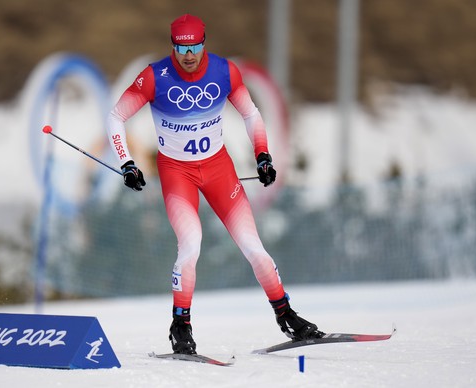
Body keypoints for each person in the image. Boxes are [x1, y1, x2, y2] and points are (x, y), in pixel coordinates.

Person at [106, 13, 323, 355]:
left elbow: (251, 113)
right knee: (191, 245)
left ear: (204, 43)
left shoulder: (224, 72)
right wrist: (126, 162)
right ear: (173, 46)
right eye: (181, 48)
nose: (188, 55)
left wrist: (263, 155)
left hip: (219, 169)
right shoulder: (154, 77)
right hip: (178, 173)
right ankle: (181, 326)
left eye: (194, 47)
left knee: (254, 248)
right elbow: (116, 116)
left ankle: (287, 315)